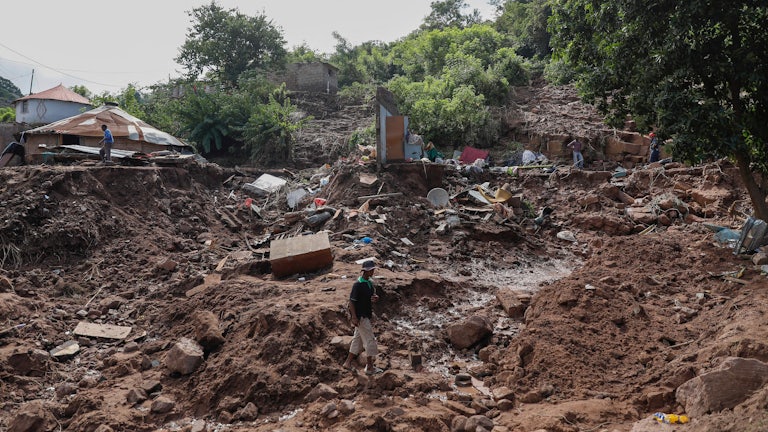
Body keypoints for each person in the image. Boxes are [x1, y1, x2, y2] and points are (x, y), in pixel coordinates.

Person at [342, 260, 382, 375]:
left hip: (365, 314)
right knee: (370, 340)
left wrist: (374, 298)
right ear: (365, 271)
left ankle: (347, 363)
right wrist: (354, 317)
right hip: (360, 317)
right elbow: (351, 302)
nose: (373, 272)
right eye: (371, 270)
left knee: (357, 340)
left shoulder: (369, 282)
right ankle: (369, 367)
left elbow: (368, 297)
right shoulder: (358, 284)